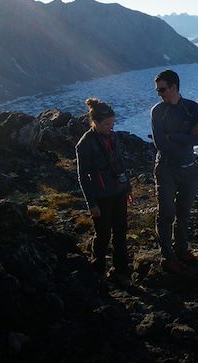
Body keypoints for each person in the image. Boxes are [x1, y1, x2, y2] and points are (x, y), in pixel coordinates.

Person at [151, 69, 198, 272]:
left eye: (162, 89)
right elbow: (160, 145)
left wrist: (173, 136)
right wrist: (187, 135)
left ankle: (181, 249)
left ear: (174, 87)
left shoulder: (192, 108)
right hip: (166, 168)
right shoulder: (157, 111)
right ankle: (167, 256)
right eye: (158, 90)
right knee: (166, 213)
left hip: (188, 169)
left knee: (184, 212)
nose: (160, 94)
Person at [76, 98, 132, 284]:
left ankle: (121, 271)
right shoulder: (85, 144)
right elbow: (83, 177)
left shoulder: (113, 136)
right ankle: (98, 265)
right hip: (101, 196)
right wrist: (91, 204)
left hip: (118, 192)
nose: (111, 127)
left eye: (112, 123)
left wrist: (127, 187)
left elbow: (120, 163)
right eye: (107, 124)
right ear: (96, 122)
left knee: (120, 232)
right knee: (103, 234)